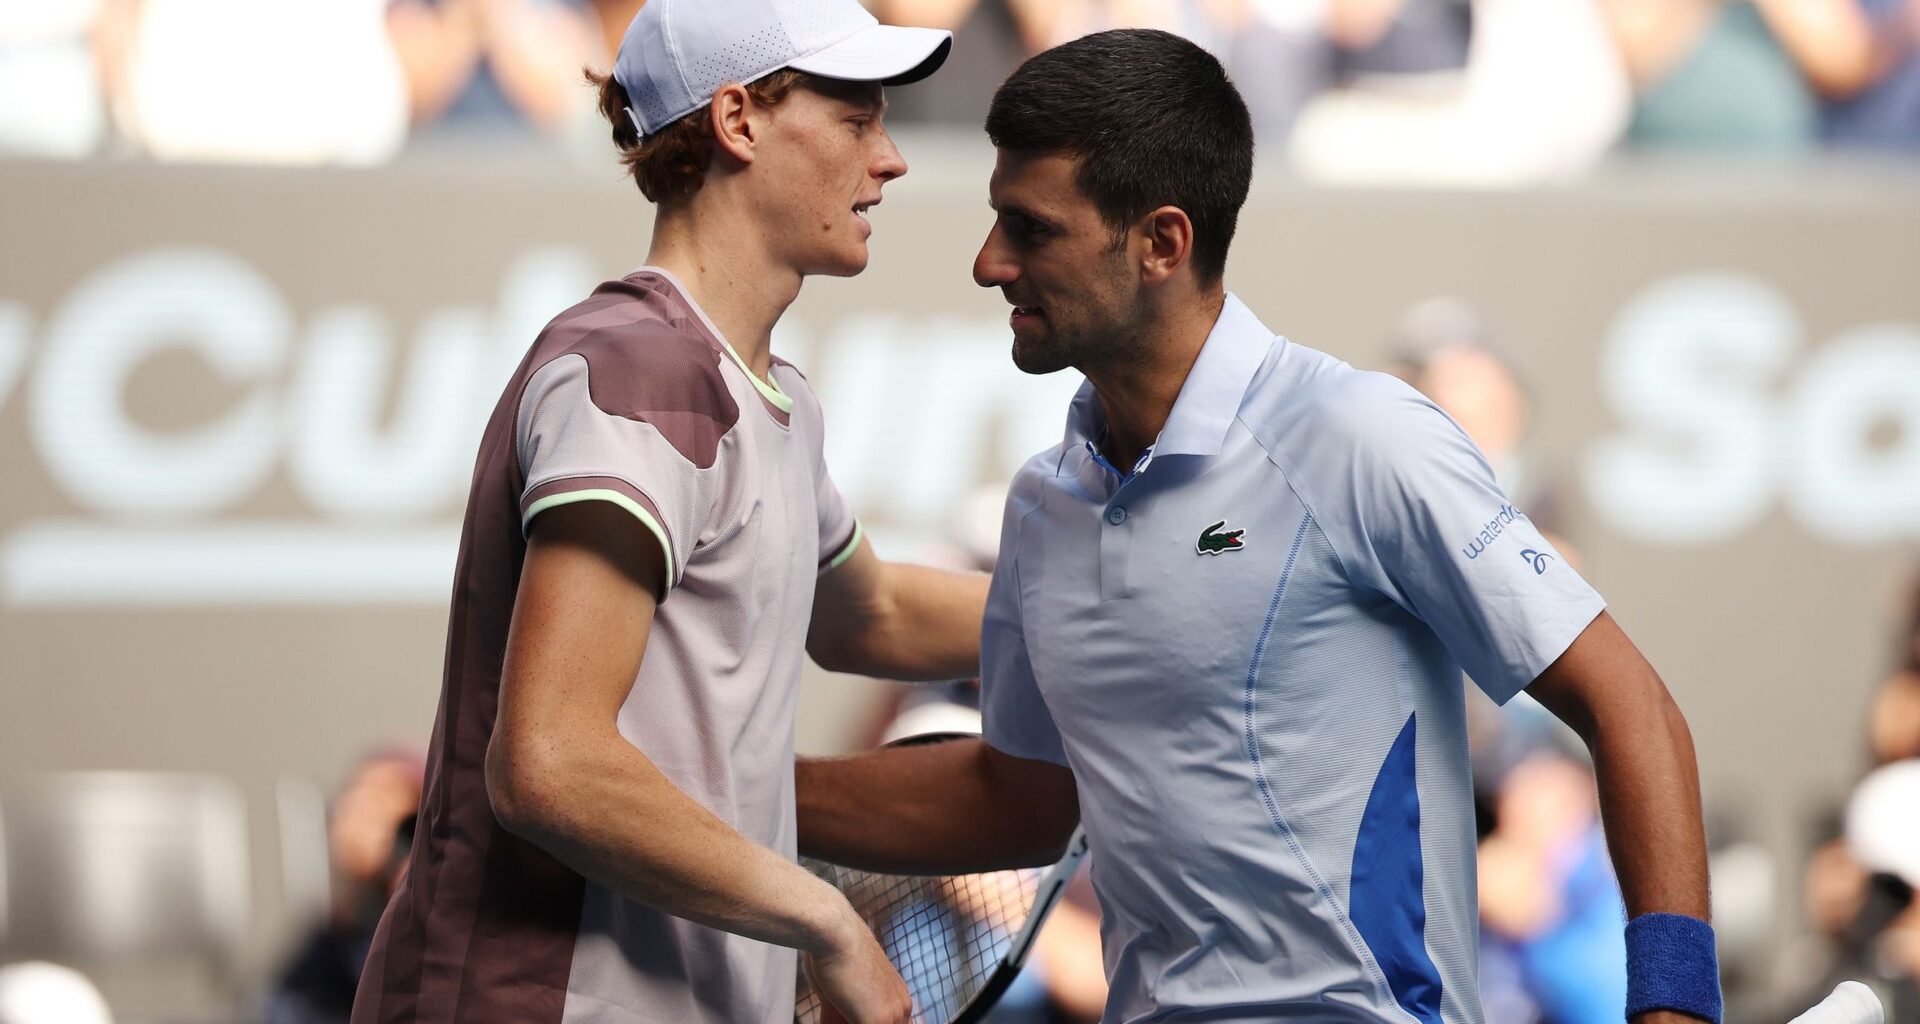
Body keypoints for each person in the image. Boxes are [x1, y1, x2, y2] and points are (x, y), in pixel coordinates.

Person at [798, 28, 1718, 1024]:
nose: (989, 264)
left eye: (1032, 230)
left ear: (1162, 242)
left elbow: (1632, 706)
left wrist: (1675, 1007)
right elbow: (1019, 802)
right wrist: (736, 787)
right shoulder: (1041, 507)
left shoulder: (1361, 438)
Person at [348, 3, 977, 1023]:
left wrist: (1102, 610)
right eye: (858, 121)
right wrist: (825, 920)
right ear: (738, 120)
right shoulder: (639, 368)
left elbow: (875, 615)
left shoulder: (771, 399)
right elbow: (549, 762)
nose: (892, 158)